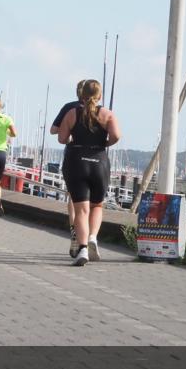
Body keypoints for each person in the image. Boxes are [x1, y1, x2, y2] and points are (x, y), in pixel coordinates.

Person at [57, 79, 121, 266]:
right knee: (97, 206)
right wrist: (103, 144)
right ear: (99, 95)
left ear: (81, 95)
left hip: (76, 161)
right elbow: (116, 136)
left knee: (81, 210)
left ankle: (83, 248)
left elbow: (62, 138)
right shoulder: (107, 114)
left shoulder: (71, 113)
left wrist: (74, 137)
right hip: (99, 161)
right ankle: (93, 237)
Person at [51, 80, 85, 258]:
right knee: (94, 202)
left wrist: (69, 129)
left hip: (73, 154)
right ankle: (90, 238)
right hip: (96, 159)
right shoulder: (101, 110)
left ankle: (74, 231)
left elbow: (53, 130)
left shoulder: (69, 108)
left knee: (73, 197)